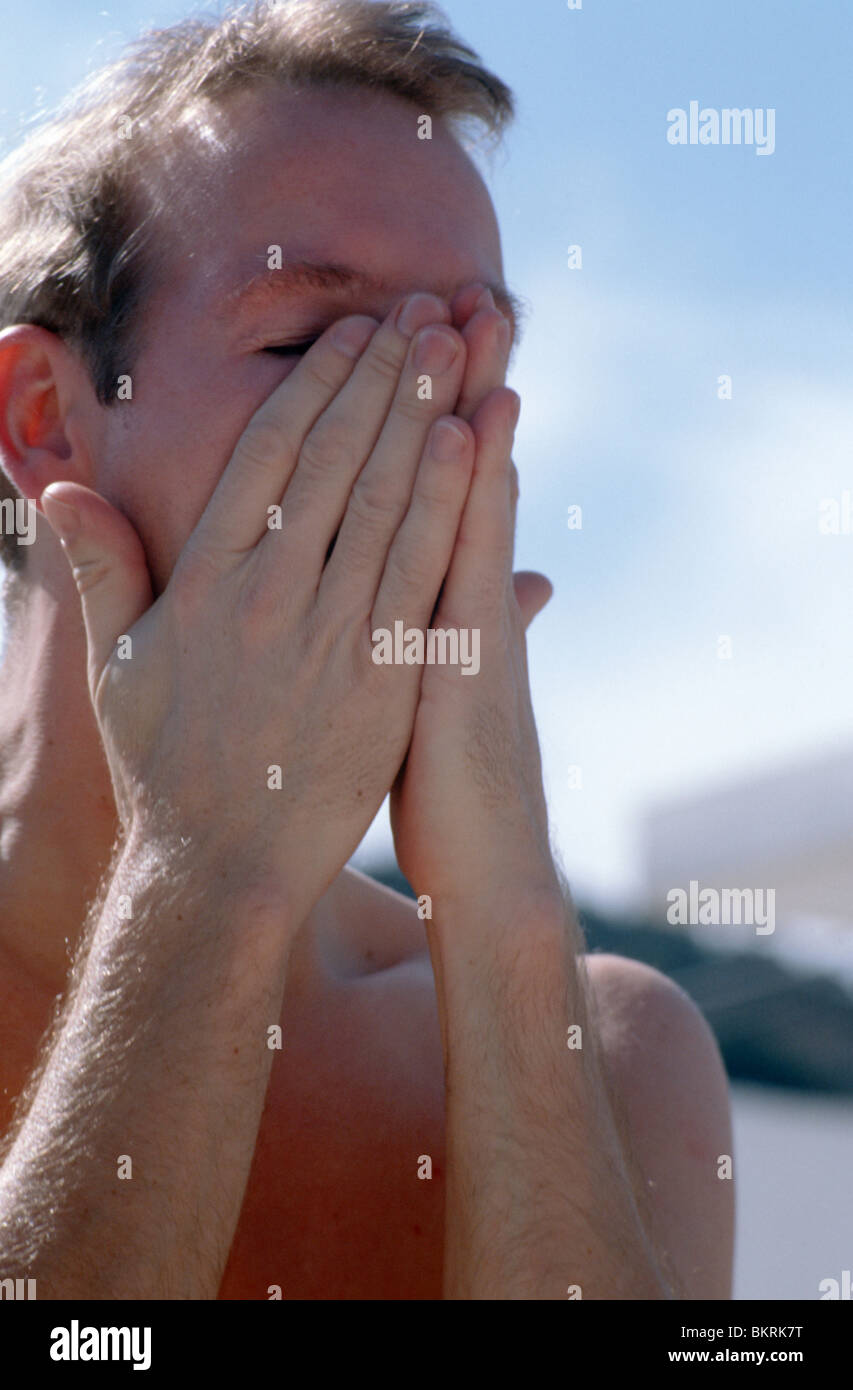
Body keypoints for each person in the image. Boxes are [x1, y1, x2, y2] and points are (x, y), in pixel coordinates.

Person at [0, 0, 733, 1299]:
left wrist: (507, 910)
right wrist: (205, 867)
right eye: (305, 346)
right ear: (46, 413)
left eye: (462, 370)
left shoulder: (613, 1051)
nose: (410, 437)